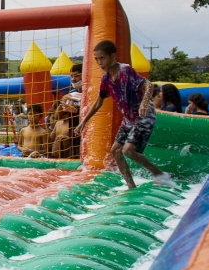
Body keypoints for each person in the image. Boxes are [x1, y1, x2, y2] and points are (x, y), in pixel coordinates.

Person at [75, 40, 177, 189]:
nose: (99, 62)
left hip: (144, 115)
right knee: (115, 150)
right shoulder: (106, 79)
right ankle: (131, 186)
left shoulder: (125, 71)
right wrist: (84, 122)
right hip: (129, 119)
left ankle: (160, 174)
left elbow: (148, 84)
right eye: (96, 59)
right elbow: (98, 102)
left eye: (102, 58)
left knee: (128, 150)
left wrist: (143, 102)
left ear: (113, 56)